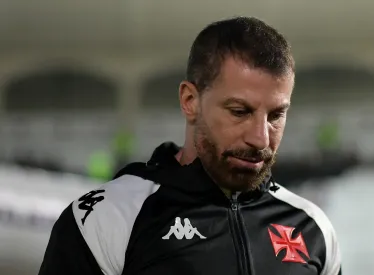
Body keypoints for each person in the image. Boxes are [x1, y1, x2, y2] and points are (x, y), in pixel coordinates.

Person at [39, 16, 342, 275]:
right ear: (190, 101)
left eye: (276, 115)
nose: (261, 138)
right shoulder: (109, 218)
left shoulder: (313, 228)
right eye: (239, 112)